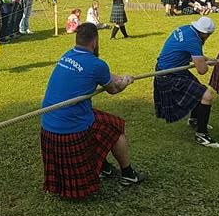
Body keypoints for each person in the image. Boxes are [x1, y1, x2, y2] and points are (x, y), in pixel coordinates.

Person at [40, 23, 144, 198]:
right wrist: (125, 82)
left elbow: (104, 75)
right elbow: (113, 89)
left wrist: (120, 76)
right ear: (95, 41)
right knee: (114, 129)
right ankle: (128, 174)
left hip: (49, 126)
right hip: (71, 129)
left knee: (97, 123)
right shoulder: (96, 64)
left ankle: (104, 169)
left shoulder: (66, 56)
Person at [153, 16, 219, 147]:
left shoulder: (186, 29)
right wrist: (205, 63)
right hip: (169, 75)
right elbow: (202, 70)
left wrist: (206, 59)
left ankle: (195, 119)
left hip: (169, 69)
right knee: (207, 95)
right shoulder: (194, 40)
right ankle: (202, 135)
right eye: (208, 35)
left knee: (198, 89)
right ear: (205, 34)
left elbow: (189, 53)